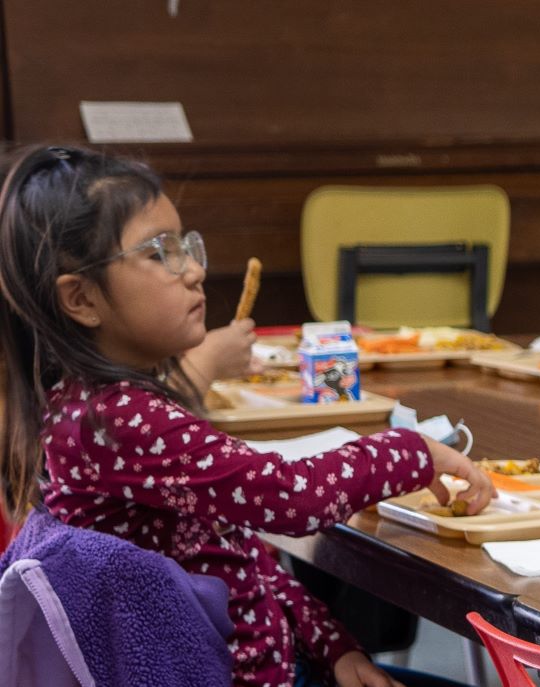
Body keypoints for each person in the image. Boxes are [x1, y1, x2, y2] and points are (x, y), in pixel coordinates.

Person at [0, 145, 496, 686]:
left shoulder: (102, 407)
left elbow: (237, 554)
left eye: (187, 246)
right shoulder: (116, 421)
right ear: (81, 300)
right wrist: (413, 452)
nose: (194, 271)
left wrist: (333, 646)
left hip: (290, 666)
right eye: (159, 252)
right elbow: (290, 496)